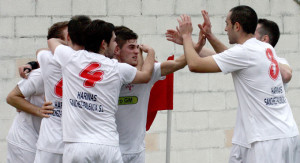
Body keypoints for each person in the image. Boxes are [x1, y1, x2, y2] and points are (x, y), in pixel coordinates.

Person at [176, 5, 299, 163]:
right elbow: (230, 57)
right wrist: (207, 37)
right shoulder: (265, 48)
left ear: (237, 26)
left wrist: (186, 36)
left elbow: (194, 65)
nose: (226, 29)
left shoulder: (244, 52)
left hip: (268, 140)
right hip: (288, 133)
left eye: (227, 24)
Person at [47, 19, 155, 162]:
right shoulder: (118, 68)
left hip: (77, 147)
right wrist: (151, 53)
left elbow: (52, 41)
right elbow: (146, 76)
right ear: (103, 44)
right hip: (108, 146)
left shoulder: (70, 57)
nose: (116, 44)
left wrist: (73, 42)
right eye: (114, 41)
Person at [114, 26, 187, 163]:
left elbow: (179, 63)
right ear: (117, 49)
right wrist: (151, 53)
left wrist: (191, 42)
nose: (136, 51)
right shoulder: (107, 72)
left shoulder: (147, 71)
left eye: (137, 47)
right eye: (131, 47)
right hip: (111, 151)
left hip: (137, 152)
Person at [35, 16, 91, 163]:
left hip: (59, 143)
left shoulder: (46, 57)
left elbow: (41, 51)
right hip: (67, 144)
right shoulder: (90, 61)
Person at [6, 68, 53, 163]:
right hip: (25, 140)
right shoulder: (40, 74)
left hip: (43, 141)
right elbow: (11, 98)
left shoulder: (70, 73)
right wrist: (38, 110)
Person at [254, 18, 292, 90]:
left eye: (253, 34)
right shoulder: (247, 58)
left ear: (264, 39)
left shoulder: (281, 61)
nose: (249, 37)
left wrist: (264, 54)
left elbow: (286, 75)